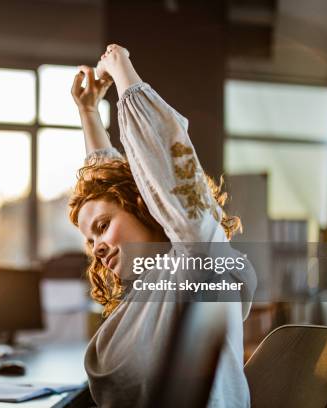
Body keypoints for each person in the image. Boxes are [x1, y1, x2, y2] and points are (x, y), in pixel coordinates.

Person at [69, 44, 256, 407]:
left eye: (103, 227)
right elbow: (114, 180)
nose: (98, 247)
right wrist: (89, 112)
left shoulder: (198, 260)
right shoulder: (146, 287)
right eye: (91, 241)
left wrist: (123, 72)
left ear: (145, 207)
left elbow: (165, 168)